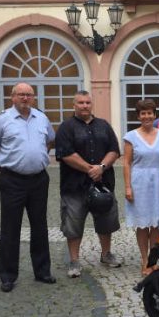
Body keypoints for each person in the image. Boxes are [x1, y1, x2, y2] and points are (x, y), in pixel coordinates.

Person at [0, 82, 56, 293]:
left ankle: (42, 271)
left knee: (40, 226)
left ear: (33, 98)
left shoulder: (41, 118)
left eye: (29, 95)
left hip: (39, 179)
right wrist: (5, 169)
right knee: (10, 228)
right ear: (12, 97)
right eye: (21, 94)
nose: (25, 98)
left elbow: (49, 141)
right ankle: (7, 276)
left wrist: (35, 158)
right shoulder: (1, 120)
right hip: (12, 181)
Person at [55, 90, 122, 279]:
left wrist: (101, 167)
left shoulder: (104, 125)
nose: (85, 106)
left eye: (87, 102)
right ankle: (74, 261)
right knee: (73, 224)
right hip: (74, 187)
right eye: (81, 103)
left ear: (91, 104)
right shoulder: (66, 127)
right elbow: (65, 153)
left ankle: (106, 254)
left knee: (106, 221)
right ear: (73, 105)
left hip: (103, 185)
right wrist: (90, 169)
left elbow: (114, 150)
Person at [123, 99, 159, 276]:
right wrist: (128, 187)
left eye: (150, 113)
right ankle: (144, 259)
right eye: (143, 113)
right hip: (140, 181)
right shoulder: (131, 136)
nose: (147, 116)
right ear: (138, 116)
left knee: (156, 224)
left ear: (155, 114)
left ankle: (153, 260)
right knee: (143, 223)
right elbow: (126, 163)